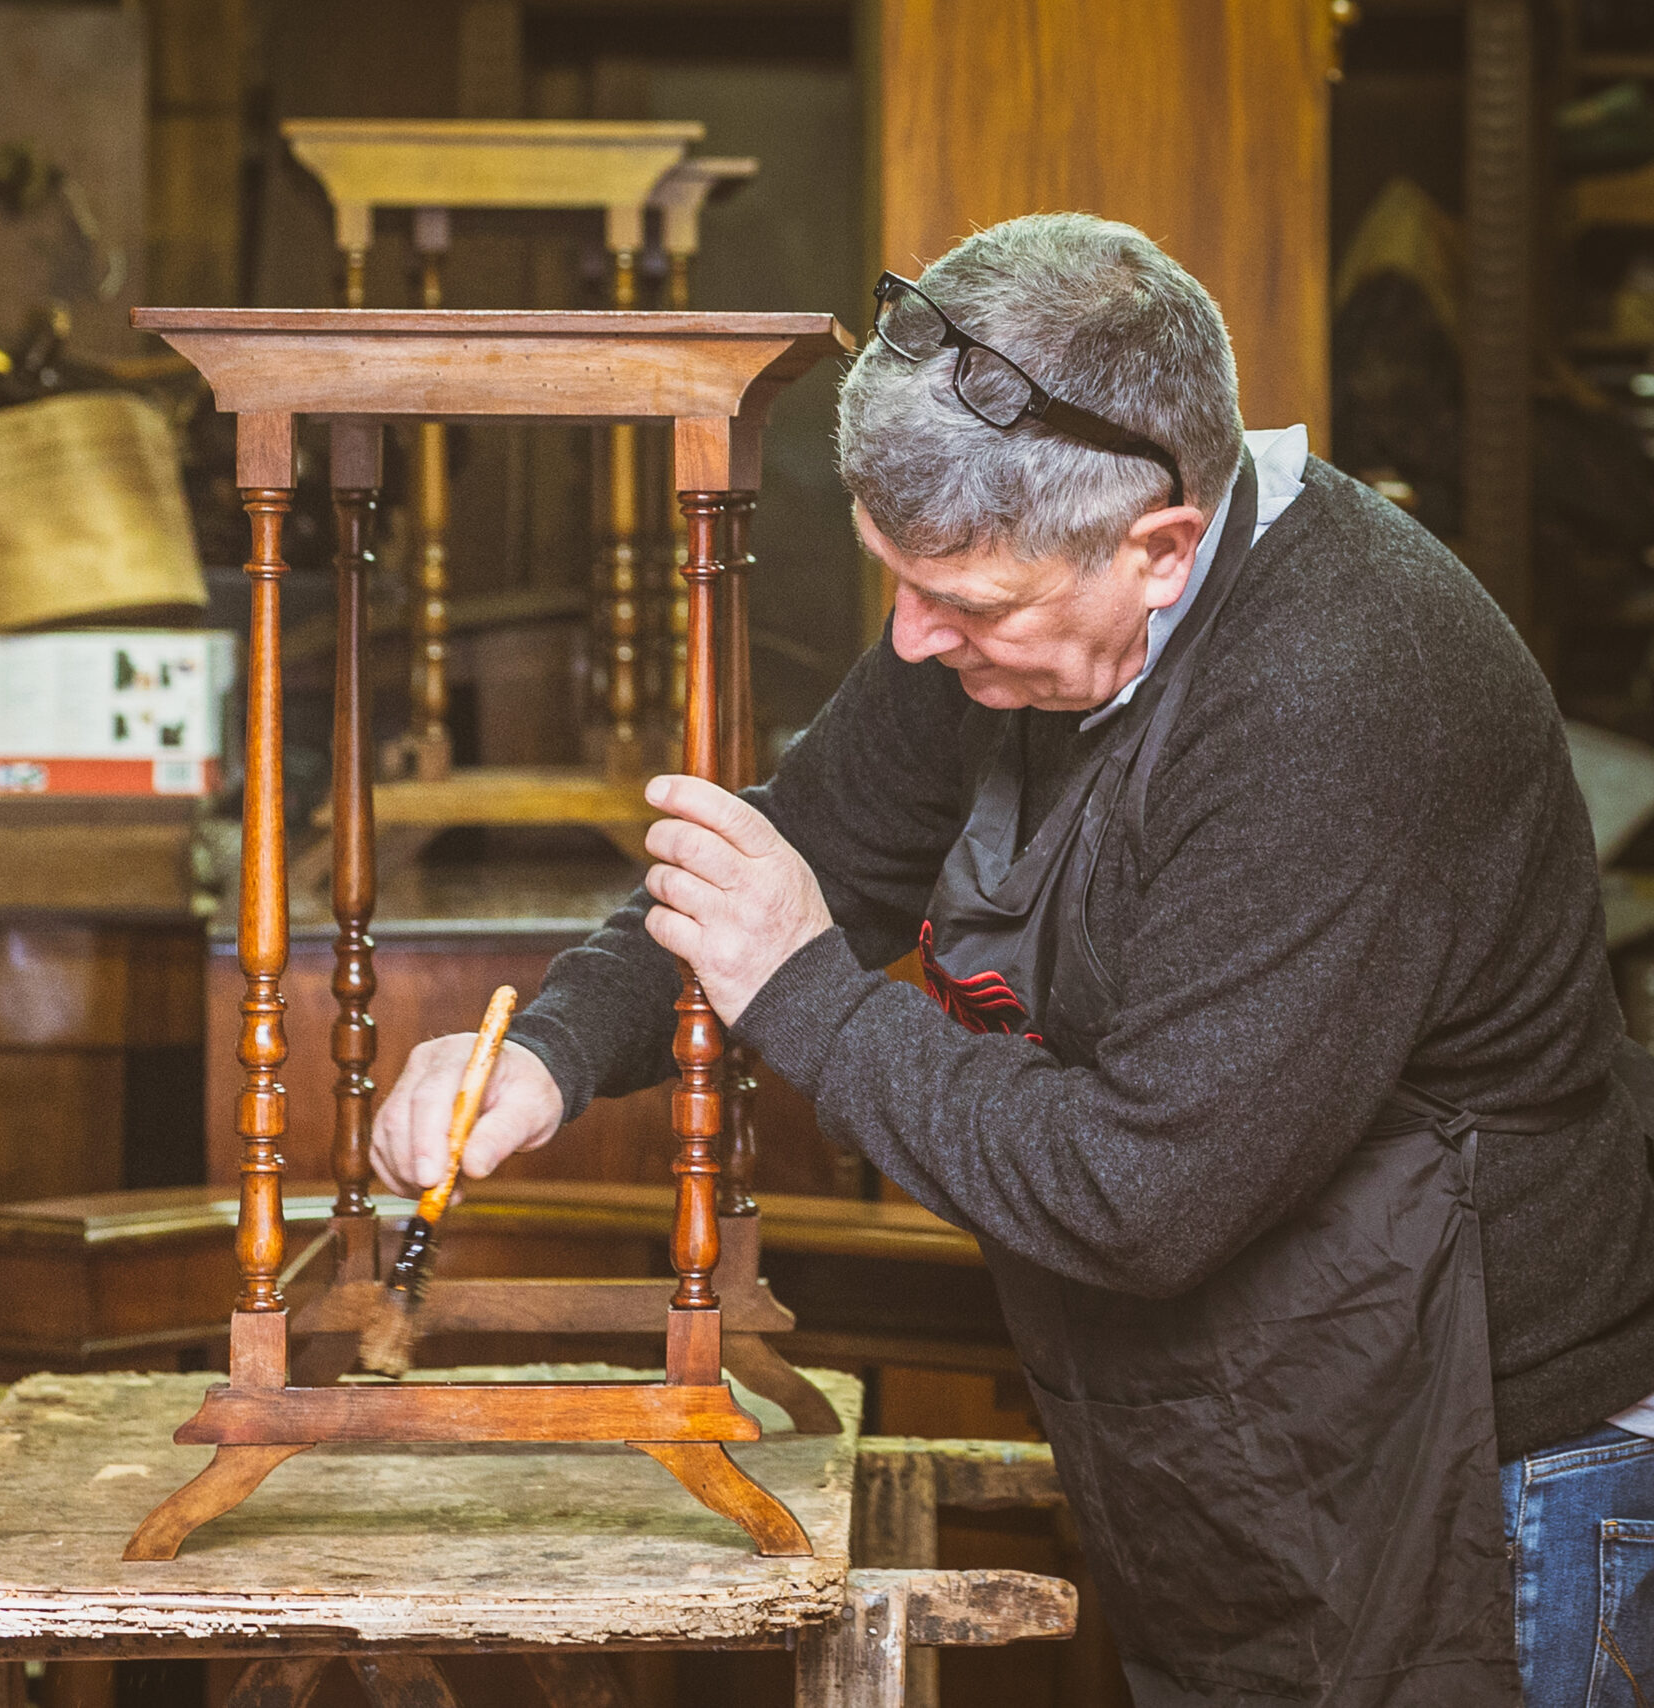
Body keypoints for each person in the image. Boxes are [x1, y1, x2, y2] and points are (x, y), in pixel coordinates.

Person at [369, 212, 1654, 1708]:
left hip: (1501, 1472)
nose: (911, 645)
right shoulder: (1013, 612)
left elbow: (1140, 1193)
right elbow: (804, 854)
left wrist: (804, 997)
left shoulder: (1342, 688)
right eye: (895, 583)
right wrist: (549, 1051)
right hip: (1275, 1438)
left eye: (964, 605)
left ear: (1159, 545)